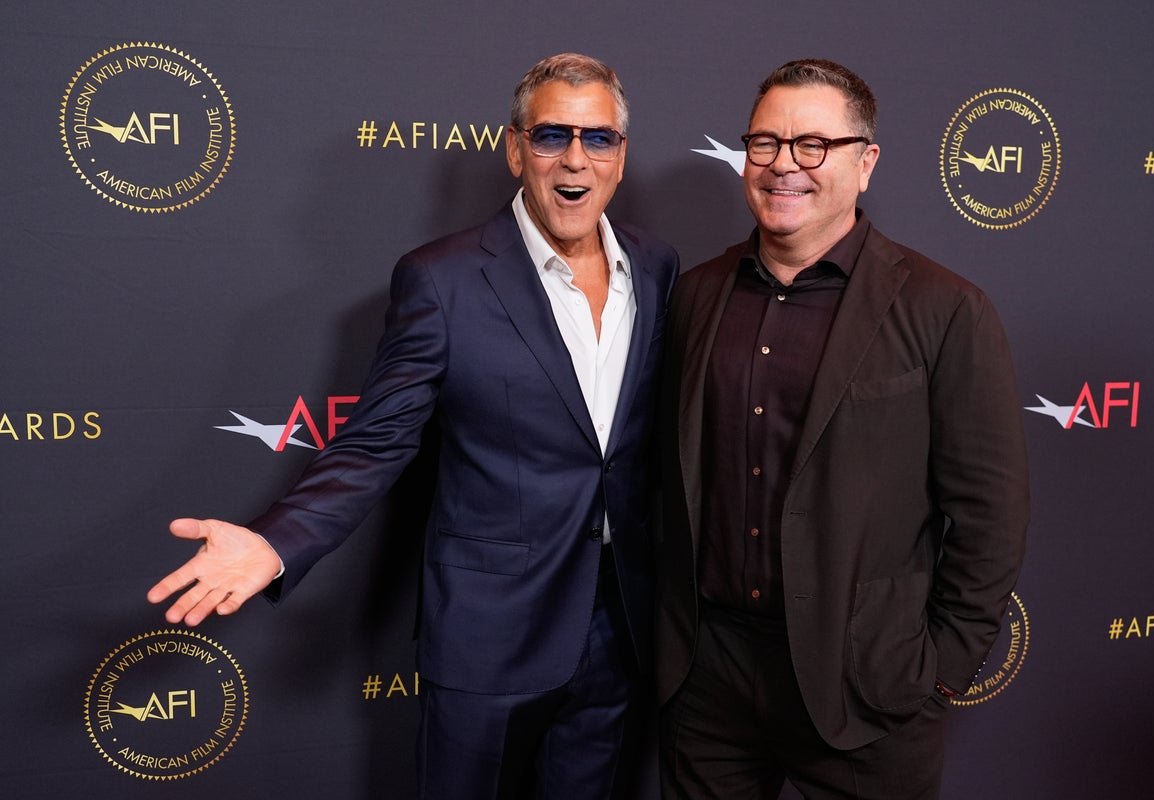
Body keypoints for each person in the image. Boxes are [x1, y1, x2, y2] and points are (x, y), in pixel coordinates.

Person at [148, 53, 678, 800]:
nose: (575, 159)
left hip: (619, 622)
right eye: (551, 135)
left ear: (620, 155)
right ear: (515, 149)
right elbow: (377, 439)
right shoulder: (442, 278)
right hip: (491, 630)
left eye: (598, 138)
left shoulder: (656, 267)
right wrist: (275, 541)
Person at [655, 59, 1029, 799]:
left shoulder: (945, 308)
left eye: (813, 145)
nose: (784, 164)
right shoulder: (695, 294)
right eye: (766, 143)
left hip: (868, 688)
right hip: (708, 679)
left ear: (866, 163)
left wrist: (941, 672)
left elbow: (992, 511)